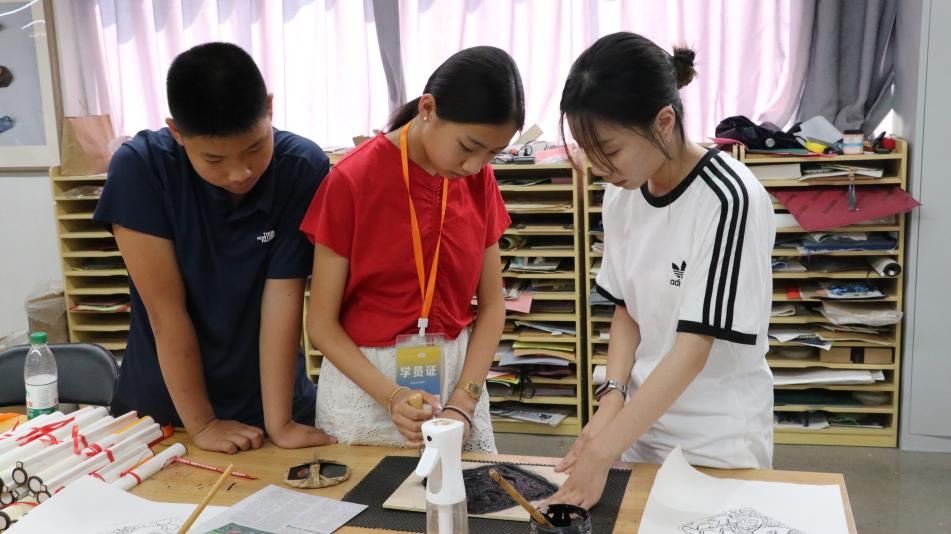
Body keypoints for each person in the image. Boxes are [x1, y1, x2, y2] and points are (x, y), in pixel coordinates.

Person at [548, 32, 776, 508]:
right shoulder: (622, 192)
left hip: (715, 440)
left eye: (609, 150)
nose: (597, 167)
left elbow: (694, 348)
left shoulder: (729, 199)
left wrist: (603, 450)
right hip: (640, 427)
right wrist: (611, 402)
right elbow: (627, 309)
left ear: (664, 121)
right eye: (587, 150)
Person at [94, 42, 334, 453]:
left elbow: (283, 300)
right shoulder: (141, 169)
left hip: (273, 401)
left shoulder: (301, 167)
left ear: (270, 109)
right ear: (177, 132)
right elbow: (166, 313)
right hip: (170, 415)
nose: (240, 172)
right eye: (214, 159)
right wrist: (203, 425)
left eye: (255, 148)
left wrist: (280, 423)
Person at [301, 46, 525, 452]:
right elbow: (321, 324)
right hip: (365, 385)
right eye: (468, 146)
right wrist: (391, 396)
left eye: (492, 153)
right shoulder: (352, 180)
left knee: (464, 491)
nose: (474, 166)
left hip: (456, 383)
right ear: (427, 109)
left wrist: (464, 401)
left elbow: (493, 306)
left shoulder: (478, 181)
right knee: (370, 494)